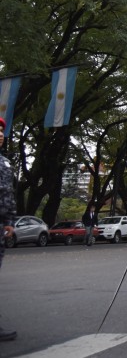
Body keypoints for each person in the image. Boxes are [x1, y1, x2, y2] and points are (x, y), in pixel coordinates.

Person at [0, 118, 17, 341]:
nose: (0, 134)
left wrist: (9, 220)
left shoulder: (4, 162)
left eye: (2, 131)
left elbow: (7, 193)